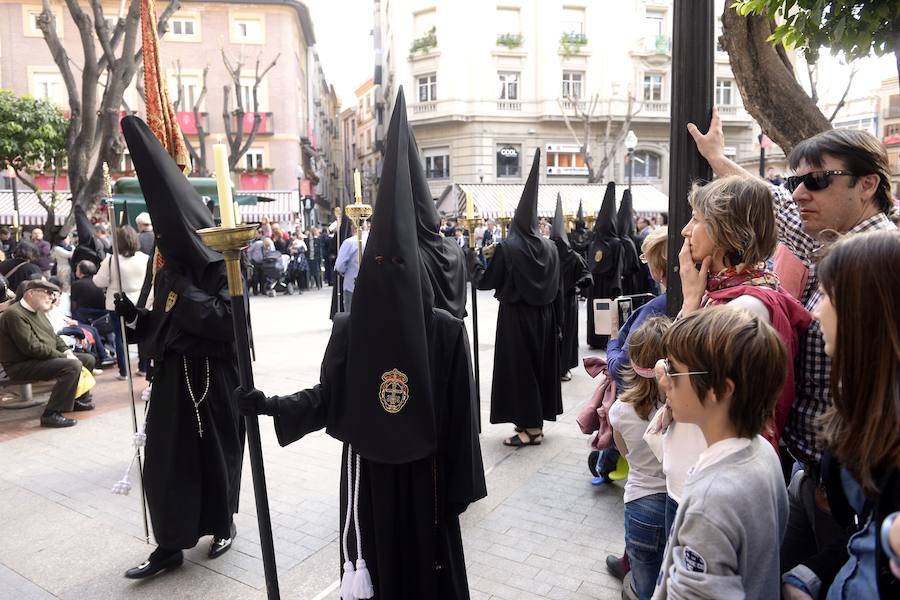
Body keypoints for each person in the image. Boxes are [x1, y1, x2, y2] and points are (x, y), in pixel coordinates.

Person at [236, 89, 486, 599]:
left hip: (429, 483)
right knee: (377, 564)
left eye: (399, 268)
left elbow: (462, 419)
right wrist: (271, 405)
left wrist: (459, 491)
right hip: (368, 475)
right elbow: (331, 396)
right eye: (379, 268)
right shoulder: (350, 328)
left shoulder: (443, 331)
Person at [119, 116, 244, 579]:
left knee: (215, 456)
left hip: (212, 380)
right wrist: (137, 320)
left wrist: (179, 291)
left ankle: (222, 524)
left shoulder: (221, 261)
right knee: (165, 465)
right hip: (173, 379)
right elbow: (164, 319)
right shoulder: (166, 262)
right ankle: (169, 544)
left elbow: (227, 323)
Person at [782, 230, 900, 600]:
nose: (816, 310)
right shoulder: (871, 403)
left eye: (828, 295)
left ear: (863, 310)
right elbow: (865, 533)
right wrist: (807, 578)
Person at [653, 305, 789, 600]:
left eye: (674, 371)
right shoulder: (762, 453)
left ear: (721, 390)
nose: (666, 380)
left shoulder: (712, 501)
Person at [678, 175, 811, 451]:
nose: (686, 231)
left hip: (717, 465)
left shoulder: (745, 308)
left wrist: (690, 304)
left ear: (724, 231)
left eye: (697, 219)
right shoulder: (730, 292)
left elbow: (686, 386)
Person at [471, 150, 562, 447]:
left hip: (516, 317)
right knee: (538, 368)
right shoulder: (550, 247)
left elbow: (488, 281)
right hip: (545, 317)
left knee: (521, 371)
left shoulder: (509, 248)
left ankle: (528, 429)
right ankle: (536, 422)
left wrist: (473, 262)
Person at [609, 317, 671, 600]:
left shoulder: (620, 411)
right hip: (676, 503)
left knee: (644, 586)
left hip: (641, 505)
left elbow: (626, 455)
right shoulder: (682, 410)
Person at [0, 279, 96, 427]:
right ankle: (51, 413)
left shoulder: (37, 311)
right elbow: (31, 347)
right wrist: (63, 356)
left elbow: (54, 337)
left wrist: (66, 350)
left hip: (37, 359)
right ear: (31, 294)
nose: (51, 297)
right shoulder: (14, 314)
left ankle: (75, 399)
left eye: (53, 294)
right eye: (47, 293)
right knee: (73, 366)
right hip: (20, 364)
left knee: (88, 359)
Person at [93, 226, 150, 378]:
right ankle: (144, 367)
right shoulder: (145, 258)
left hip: (116, 303)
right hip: (140, 301)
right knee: (142, 334)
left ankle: (124, 371)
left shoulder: (110, 260)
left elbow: (99, 282)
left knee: (120, 337)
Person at [550, 193, 592, 381]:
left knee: (566, 335)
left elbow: (587, 275)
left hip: (567, 301)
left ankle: (564, 366)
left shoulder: (573, 257)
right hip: (551, 301)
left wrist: (576, 286)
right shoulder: (547, 255)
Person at [586, 183, 623, 349]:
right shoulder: (607, 242)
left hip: (603, 284)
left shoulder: (610, 243)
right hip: (602, 284)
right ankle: (597, 340)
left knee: (602, 312)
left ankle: (599, 340)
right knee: (599, 313)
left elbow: (615, 267)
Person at [334, 223, 368, 312]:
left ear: (353, 228)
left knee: (351, 314)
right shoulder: (375, 240)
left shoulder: (349, 242)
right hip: (372, 284)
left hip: (352, 284)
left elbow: (339, 265)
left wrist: (342, 272)